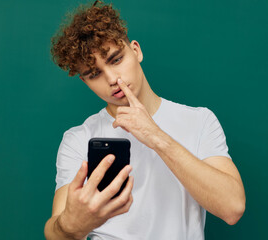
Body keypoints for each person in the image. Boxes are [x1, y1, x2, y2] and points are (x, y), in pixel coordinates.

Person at [44, 1, 246, 239]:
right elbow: (56, 232)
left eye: (116, 59)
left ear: (136, 50)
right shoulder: (79, 139)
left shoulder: (199, 121)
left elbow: (232, 208)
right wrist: (71, 224)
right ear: (85, 82)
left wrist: (156, 136)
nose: (111, 79)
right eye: (94, 74)